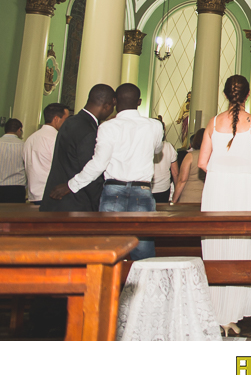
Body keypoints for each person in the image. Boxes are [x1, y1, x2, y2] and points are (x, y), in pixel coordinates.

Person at [198, 75, 251, 336]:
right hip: (244, 191)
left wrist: (222, 174)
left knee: (215, 248)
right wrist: (249, 177)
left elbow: (202, 163)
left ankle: (215, 312)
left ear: (226, 94)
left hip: (215, 190)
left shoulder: (213, 122)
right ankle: (231, 314)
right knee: (241, 246)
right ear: (248, 94)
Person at [58, 83, 163, 260]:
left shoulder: (107, 127)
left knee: (109, 248)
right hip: (142, 190)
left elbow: (98, 164)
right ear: (139, 102)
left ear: (114, 101)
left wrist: (71, 185)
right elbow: (158, 150)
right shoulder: (154, 126)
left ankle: (110, 278)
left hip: (113, 190)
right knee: (143, 251)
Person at [41, 84, 116, 212]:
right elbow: (90, 170)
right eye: (112, 107)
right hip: (76, 203)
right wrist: (99, 204)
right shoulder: (89, 130)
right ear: (107, 106)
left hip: (57, 200)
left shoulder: (70, 121)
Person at [22, 103, 69, 204]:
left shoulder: (30, 139)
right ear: (56, 119)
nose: (67, 123)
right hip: (53, 194)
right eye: (66, 119)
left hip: (34, 194)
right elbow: (63, 167)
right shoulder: (56, 139)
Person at [173, 128, 206, 204]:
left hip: (189, 196)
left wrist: (174, 200)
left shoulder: (190, 156)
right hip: (206, 197)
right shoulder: (213, 157)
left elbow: (182, 180)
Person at [151, 136, 178, 204]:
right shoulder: (168, 146)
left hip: (146, 187)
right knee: (161, 209)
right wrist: (176, 189)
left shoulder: (143, 145)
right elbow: (175, 173)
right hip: (163, 187)